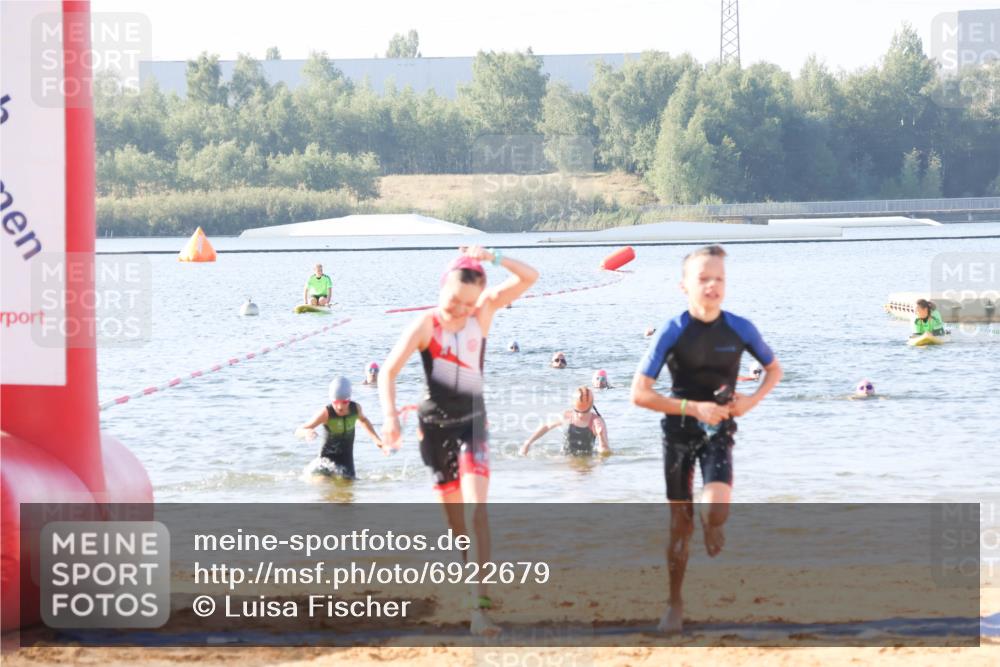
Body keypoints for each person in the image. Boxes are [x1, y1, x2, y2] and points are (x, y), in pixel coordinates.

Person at [379, 246, 538, 636]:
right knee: (457, 526)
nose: (459, 310)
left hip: (472, 426)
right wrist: (389, 419)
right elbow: (388, 372)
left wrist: (494, 258)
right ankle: (473, 586)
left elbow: (529, 277)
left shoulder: (481, 315)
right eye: (454, 300)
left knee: (475, 512)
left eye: (468, 303)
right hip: (434, 431)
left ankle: (480, 607)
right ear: (441, 289)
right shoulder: (425, 326)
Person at [630, 244, 783, 635]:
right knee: (680, 526)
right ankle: (674, 602)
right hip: (678, 432)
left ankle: (714, 523)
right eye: (703, 278)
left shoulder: (740, 328)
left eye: (719, 279)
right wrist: (693, 409)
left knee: (713, 510)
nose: (712, 285)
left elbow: (774, 369)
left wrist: (751, 401)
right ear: (684, 285)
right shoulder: (672, 330)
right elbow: (640, 394)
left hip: (720, 430)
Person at [295, 376, 385, 480]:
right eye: (335, 402)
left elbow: (364, 420)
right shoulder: (326, 413)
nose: (340, 407)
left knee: (348, 492)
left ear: (349, 399)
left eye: (344, 402)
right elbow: (298, 430)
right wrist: (307, 432)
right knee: (324, 485)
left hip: (346, 462)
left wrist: (377, 440)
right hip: (325, 462)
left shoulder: (355, 409)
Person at [520, 386, 610, 456]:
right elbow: (547, 426)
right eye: (578, 412)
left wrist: (601, 436)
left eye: (584, 413)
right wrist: (528, 442)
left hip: (586, 458)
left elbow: (605, 452)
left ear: (591, 407)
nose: (580, 416)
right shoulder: (568, 416)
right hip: (565, 456)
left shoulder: (597, 422)